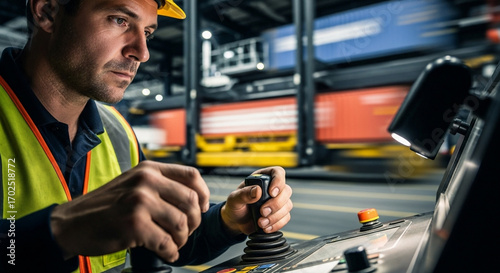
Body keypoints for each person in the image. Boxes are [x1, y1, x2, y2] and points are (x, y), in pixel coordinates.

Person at [0, 0, 293, 272]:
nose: (141, 52)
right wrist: (61, 232)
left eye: (148, 33)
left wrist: (226, 221)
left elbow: (159, 240)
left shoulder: (118, 133)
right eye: (119, 20)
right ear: (48, 11)